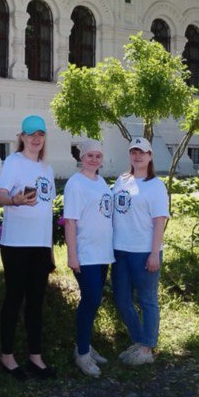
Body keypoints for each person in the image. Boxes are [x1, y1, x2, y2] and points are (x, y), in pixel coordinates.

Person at [0, 114, 58, 381]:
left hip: (40, 245)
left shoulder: (47, 168)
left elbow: (48, 211)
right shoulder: (14, 162)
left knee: (35, 302)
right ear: (22, 137)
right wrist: (15, 200)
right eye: (30, 134)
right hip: (17, 244)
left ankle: (35, 357)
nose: (35, 138)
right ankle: (7, 357)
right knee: (14, 299)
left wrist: (51, 249)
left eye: (40, 134)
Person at [111, 136, 170, 366]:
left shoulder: (155, 185)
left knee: (147, 299)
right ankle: (139, 340)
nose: (137, 156)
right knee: (122, 299)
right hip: (120, 250)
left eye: (142, 152)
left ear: (150, 156)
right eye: (134, 152)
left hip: (144, 251)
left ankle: (147, 348)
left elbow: (159, 221)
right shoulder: (121, 181)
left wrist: (154, 253)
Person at [64, 139, 115, 377]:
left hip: (103, 252)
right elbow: (71, 222)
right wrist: (72, 255)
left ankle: (85, 344)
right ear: (81, 157)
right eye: (89, 155)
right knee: (90, 299)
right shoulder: (76, 184)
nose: (94, 159)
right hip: (85, 253)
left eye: (98, 156)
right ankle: (82, 353)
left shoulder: (101, 181)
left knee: (94, 301)